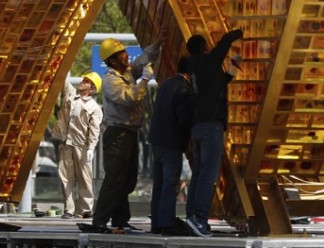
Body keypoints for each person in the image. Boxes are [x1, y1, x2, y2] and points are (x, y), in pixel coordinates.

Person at [79, 37, 159, 234]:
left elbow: (143, 59)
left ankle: (120, 221)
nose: (126, 55)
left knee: (127, 179)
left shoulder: (128, 72)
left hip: (129, 132)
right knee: (115, 179)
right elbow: (130, 98)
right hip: (117, 134)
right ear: (112, 61)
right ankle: (99, 221)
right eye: (121, 54)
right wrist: (146, 80)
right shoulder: (110, 80)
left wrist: (158, 42)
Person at [184, 27, 243, 238]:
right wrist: (241, 32)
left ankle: (191, 217)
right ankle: (199, 219)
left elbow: (216, 85)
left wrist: (231, 69)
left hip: (198, 126)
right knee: (208, 175)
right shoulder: (208, 61)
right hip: (211, 127)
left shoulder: (195, 69)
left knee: (199, 173)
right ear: (204, 47)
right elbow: (225, 42)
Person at [148, 56, 195, 235]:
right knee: (170, 183)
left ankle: (156, 223)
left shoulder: (167, 84)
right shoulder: (185, 90)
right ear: (191, 72)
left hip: (156, 140)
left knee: (158, 184)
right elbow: (184, 119)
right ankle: (167, 223)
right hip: (172, 142)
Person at [53, 71, 103, 219]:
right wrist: (66, 66)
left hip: (82, 146)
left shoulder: (95, 108)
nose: (82, 81)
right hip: (66, 143)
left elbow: (94, 130)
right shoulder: (71, 96)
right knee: (65, 177)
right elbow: (65, 82)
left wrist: (91, 148)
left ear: (92, 89)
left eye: (86, 81)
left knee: (85, 178)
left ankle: (85, 209)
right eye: (84, 79)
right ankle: (69, 209)